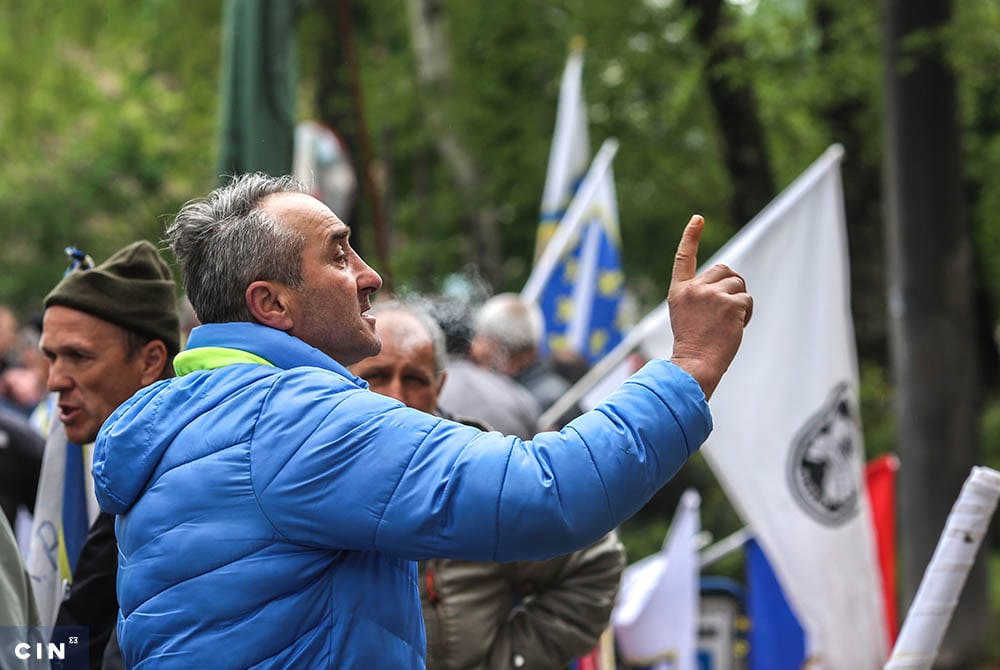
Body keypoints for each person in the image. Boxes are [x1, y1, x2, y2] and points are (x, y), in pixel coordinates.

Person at [92, 173, 752, 669]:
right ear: (271, 304)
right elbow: (547, 492)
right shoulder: (293, 422)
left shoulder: (190, 416)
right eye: (339, 255)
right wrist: (689, 366)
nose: (370, 275)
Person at [351, 301, 625, 670]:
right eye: (377, 376)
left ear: (439, 386)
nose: (396, 396)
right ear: (345, 380)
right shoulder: (310, 465)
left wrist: (514, 661)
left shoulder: (478, 473)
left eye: (414, 379)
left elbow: (594, 560)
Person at [27, 241, 180, 670]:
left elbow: (72, 650)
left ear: (150, 361)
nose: (55, 380)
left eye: (79, 356)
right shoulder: (135, 468)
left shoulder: (169, 483)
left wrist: (14, 654)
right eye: (51, 356)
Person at [467, 292, 582, 429]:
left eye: (487, 356)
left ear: (520, 355)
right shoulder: (550, 393)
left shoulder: (543, 402)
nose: (475, 349)